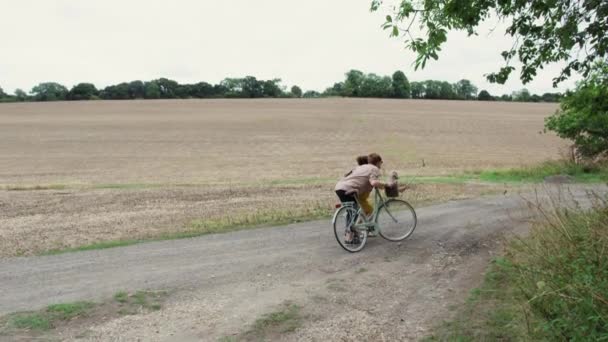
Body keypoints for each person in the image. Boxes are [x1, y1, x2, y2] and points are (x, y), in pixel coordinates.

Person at [335, 153, 386, 242]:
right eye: (380, 162)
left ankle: (353, 235)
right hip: (348, 189)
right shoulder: (374, 169)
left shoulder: (360, 167)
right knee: (354, 213)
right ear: (378, 162)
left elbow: (347, 175)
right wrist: (386, 185)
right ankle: (350, 237)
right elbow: (374, 182)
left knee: (352, 212)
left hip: (339, 187)